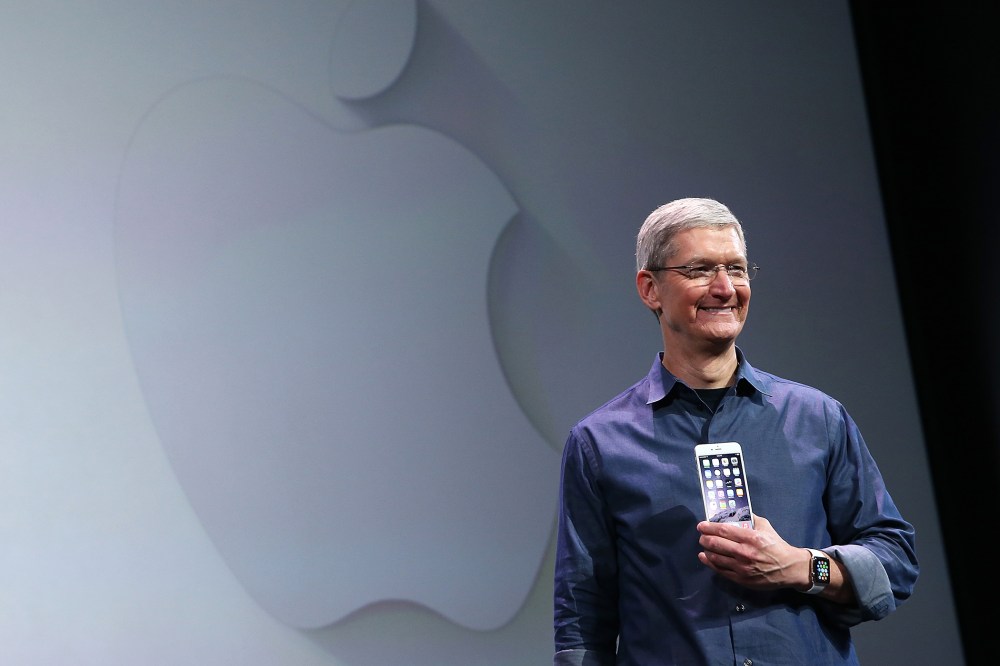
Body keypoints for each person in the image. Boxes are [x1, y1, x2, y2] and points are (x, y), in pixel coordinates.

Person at [553, 197, 918, 665]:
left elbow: (896, 559)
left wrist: (803, 566)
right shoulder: (600, 443)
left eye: (738, 269)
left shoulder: (816, 417)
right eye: (701, 270)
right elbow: (582, 618)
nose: (725, 288)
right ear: (650, 289)